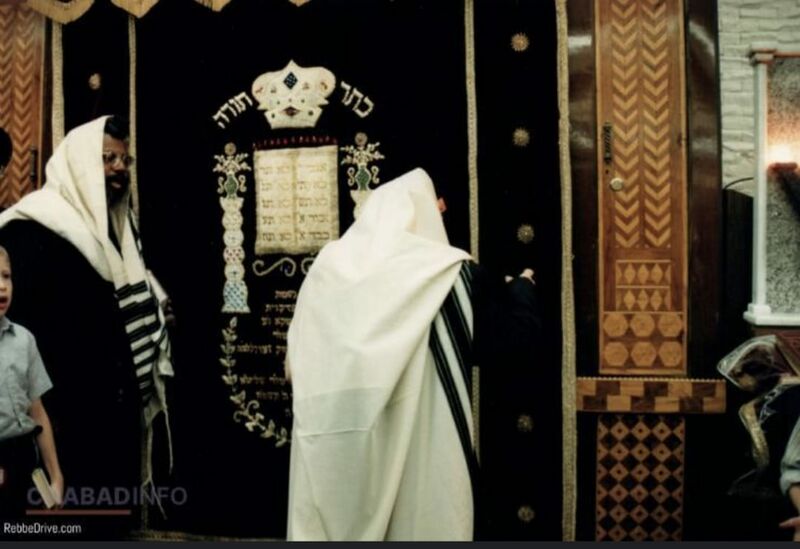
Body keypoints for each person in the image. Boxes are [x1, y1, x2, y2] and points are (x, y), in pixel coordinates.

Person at [285, 168, 539, 540]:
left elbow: (294, 363)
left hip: (335, 459)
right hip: (422, 458)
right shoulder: (448, 275)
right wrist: (522, 289)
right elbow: (515, 342)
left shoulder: (326, 271)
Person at [0, 115, 174, 536]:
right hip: (58, 421)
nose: (119, 168)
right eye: (107, 159)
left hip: (106, 417)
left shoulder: (115, 230)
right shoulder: (29, 229)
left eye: (125, 160)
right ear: (79, 166)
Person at [0, 245, 64, 517]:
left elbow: (37, 412)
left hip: (24, 465)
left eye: (6, 276)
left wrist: (55, 477)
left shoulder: (24, 340)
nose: (2, 286)